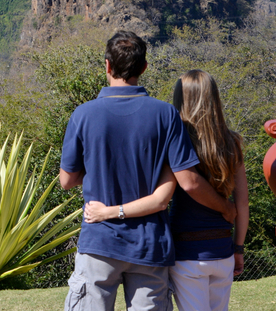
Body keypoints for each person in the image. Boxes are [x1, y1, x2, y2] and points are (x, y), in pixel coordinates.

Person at [60, 31, 236, 311]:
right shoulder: (166, 115)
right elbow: (187, 181)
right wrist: (226, 208)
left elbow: (67, 181)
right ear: (144, 68)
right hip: (149, 245)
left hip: (99, 241)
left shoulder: (83, 114)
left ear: (107, 66)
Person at [86, 70, 249, 311]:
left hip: (187, 253)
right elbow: (243, 203)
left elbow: (183, 187)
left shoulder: (175, 139)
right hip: (222, 250)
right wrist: (238, 247)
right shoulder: (232, 142)